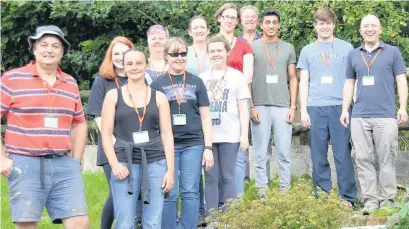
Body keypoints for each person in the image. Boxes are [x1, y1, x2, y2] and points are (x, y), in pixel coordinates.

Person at [0, 25, 89, 228]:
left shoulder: (70, 83)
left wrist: (76, 159)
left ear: (62, 51)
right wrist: (1, 157)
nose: (49, 50)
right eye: (44, 44)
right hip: (24, 162)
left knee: (80, 222)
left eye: (55, 46)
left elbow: (79, 123)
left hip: (63, 162)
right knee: (27, 224)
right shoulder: (12, 79)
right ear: (34, 49)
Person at [340, 14, 408, 215]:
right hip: (359, 115)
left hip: (386, 115)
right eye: (365, 26)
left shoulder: (392, 52)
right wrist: (345, 109)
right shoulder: (353, 55)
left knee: (387, 157)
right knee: (362, 158)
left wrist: (402, 107)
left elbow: (401, 80)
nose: (369, 29)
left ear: (380, 30)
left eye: (373, 26)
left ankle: (387, 200)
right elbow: (349, 83)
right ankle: (370, 201)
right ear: (360, 31)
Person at [100, 48, 175, 228]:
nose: (134, 67)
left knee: (153, 220)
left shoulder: (160, 98)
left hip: (155, 162)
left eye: (139, 63)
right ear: (124, 67)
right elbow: (106, 133)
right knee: (124, 220)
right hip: (124, 163)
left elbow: (167, 134)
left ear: (146, 65)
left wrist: (170, 170)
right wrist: (114, 164)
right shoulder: (113, 96)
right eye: (130, 64)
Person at [150, 37, 214, 229]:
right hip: (167, 145)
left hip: (193, 144)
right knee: (169, 190)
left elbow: (205, 117)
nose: (179, 58)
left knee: (190, 191)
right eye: (174, 54)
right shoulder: (157, 84)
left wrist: (208, 147)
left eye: (183, 53)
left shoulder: (197, 81)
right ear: (166, 56)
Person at [297, 7, 357, 206]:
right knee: (318, 154)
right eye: (320, 23)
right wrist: (303, 110)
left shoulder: (347, 48)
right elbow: (303, 82)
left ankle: (347, 197)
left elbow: (352, 78)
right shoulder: (307, 50)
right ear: (315, 26)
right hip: (315, 107)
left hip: (340, 107)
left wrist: (349, 106)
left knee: (342, 154)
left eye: (328, 23)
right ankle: (323, 197)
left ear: (334, 25)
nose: (324, 27)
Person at [86, 36, 134, 229]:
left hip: (137, 144)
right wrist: (113, 141)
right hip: (112, 146)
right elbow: (97, 116)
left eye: (124, 53)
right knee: (117, 192)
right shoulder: (102, 81)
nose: (120, 57)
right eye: (116, 54)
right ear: (110, 56)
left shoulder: (139, 77)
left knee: (133, 191)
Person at [200, 35, 250, 216]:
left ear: (227, 52)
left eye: (219, 50)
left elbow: (244, 109)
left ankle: (229, 218)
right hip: (209, 136)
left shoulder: (237, 77)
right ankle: (212, 218)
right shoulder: (202, 78)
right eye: (212, 51)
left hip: (230, 135)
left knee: (228, 176)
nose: (216, 54)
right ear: (208, 54)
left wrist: (244, 135)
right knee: (211, 178)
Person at [250, 9, 298, 197]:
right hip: (259, 105)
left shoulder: (288, 47)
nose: (271, 25)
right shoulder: (252, 47)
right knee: (261, 153)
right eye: (267, 22)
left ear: (279, 25)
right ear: (261, 25)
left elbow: (293, 78)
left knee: (284, 151)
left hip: (282, 105)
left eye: (274, 22)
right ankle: (263, 193)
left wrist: (293, 106)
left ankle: (284, 191)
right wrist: (251, 106)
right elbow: (246, 79)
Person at [215, 2, 254, 197]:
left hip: (237, 102)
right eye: (226, 16)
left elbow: (247, 77)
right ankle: (216, 203)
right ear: (219, 18)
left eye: (233, 17)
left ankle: (235, 202)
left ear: (238, 22)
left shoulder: (244, 45)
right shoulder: (211, 42)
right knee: (214, 156)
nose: (229, 20)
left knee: (238, 152)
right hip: (215, 103)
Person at [185, 15, 212, 227]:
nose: (199, 31)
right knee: (192, 167)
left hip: (214, 107)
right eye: (195, 28)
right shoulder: (184, 53)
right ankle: (193, 211)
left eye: (202, 27)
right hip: (191, 110)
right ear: (189, 31)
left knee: (208, 164)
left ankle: (206, 210)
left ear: (208, 30)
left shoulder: (215, 49)